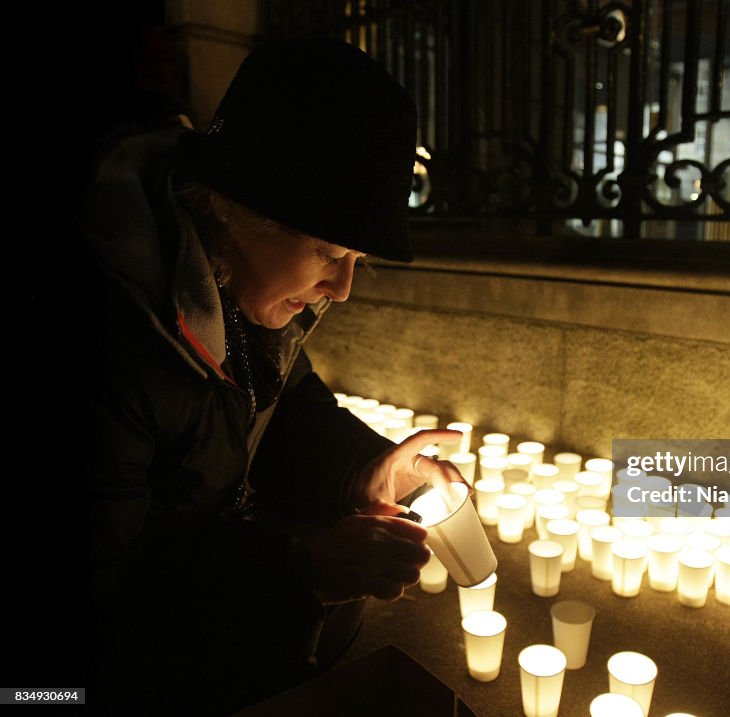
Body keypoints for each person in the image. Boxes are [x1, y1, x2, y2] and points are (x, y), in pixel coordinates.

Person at [66, 37, 465, 714]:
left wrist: (363, 469)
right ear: (234, 208)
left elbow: (285, 409)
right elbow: (101, 621)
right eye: (329, 251)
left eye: (357, 259)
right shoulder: (108, 345)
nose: (342, 287)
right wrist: (303, 572)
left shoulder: (238, 293)